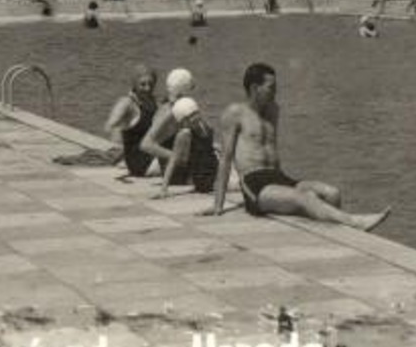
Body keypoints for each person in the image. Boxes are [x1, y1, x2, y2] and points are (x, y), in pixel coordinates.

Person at [205, 62, 390, 230]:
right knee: (306, 198)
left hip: (278, 176)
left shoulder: (273, 110)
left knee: (332, 193)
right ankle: (354, 222)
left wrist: (283, 182)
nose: (275, 92)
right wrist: (218, 205)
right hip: (255, 183)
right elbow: (226, 158)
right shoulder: (235, 113)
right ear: (254, 88)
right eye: (271, 88)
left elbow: (271, 148)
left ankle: (340, 232)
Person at [103, 65, 161, 178]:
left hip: (154, 155)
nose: (147, 88)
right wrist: (119, 147)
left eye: (151, 84)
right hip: (141, 163)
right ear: (134, 84)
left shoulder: (153, 101)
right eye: (143, 84)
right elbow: (109, 126)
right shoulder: (127, 103)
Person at [154, 98, 220, 197]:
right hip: (202, 177)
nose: (194, 118)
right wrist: (164, 189)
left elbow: (207, 146)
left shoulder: (204, 125)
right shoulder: (185, 133)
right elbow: (173, 160)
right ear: (183, 121)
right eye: (189, 117)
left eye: (195, 114)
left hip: (213, 169)